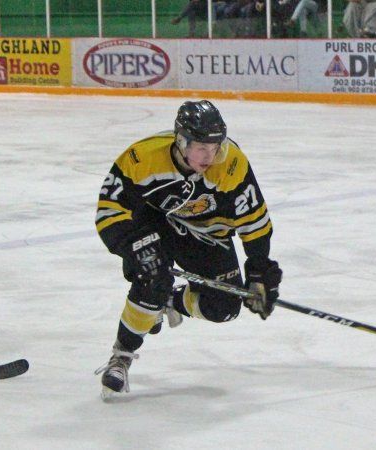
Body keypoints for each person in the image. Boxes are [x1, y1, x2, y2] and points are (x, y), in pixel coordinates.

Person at [94, 100, 282, 398]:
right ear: (181, 142)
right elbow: (109, 212)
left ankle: (169, 300)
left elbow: (254, 220)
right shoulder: (142, 158)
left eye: (215, 147)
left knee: (224, 308)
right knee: (152, 276)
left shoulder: (231, 163)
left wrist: (259, 269)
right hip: (155, 225)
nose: (211, 156)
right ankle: (122, 355)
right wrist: (134, 246)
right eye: (201, 148)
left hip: (207, 233)